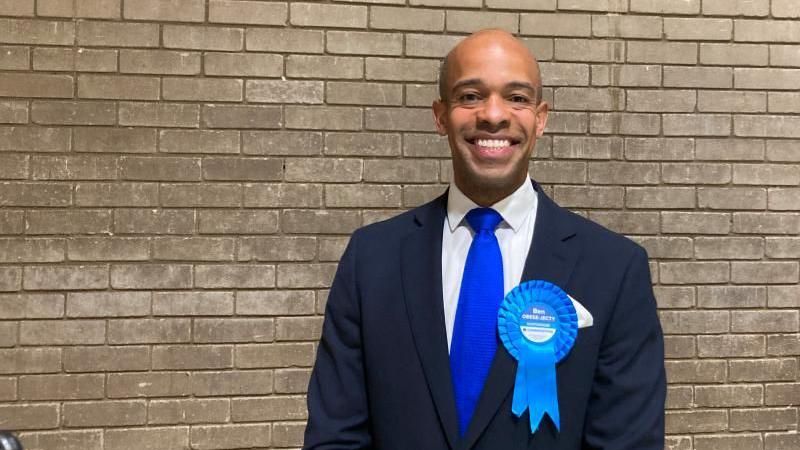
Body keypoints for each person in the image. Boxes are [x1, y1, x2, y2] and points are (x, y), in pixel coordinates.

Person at [303, 29, 666, 450]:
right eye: (471, 96)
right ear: (440, 116)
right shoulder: (371, 261)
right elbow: (335, 438)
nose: (494, 115)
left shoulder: (615, 268)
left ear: (541, 118)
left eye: (517, 97)